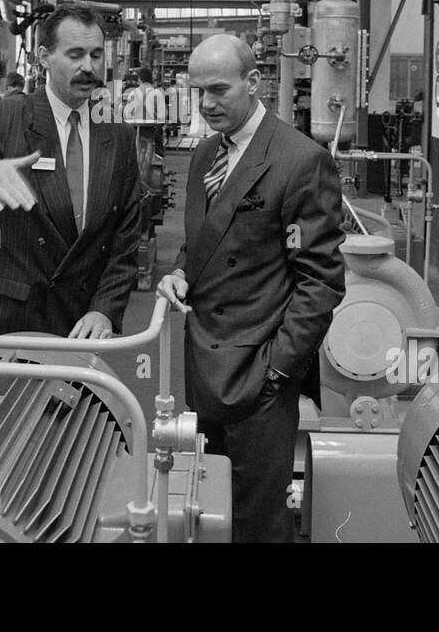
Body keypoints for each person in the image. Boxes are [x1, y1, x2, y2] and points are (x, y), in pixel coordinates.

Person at [156, 33, 344, 542]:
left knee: (258, 519)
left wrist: (279, 368)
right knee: (210, 506)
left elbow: (321, 282)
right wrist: (179, 270)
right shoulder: (204, 156)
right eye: (198, 91)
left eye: (218, 89)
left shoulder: (299, 160)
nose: (206, 104)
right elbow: (203, 241)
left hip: (259, 376)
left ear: (254, 82)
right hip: (204, 364)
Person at [0, 4, 141, 339]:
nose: (88, 67)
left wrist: (104, 309)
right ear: (44, 57)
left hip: (80, 323)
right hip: (8, 318)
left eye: (95, 54)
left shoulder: (117, 133)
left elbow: (125, 236)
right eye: (75, 55)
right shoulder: (6, 116)